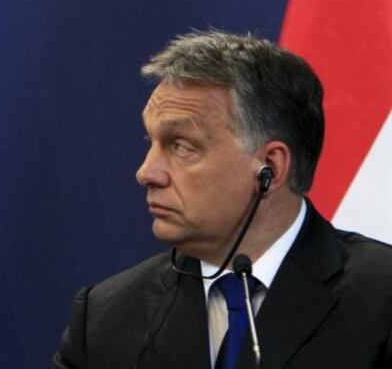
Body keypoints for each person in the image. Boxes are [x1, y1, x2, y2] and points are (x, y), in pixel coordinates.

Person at [54, 30, 392, 368]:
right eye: (151, 142)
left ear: (270, 168)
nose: (146, 173)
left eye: (181, 146)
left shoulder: (382, 301)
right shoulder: (104, 319)